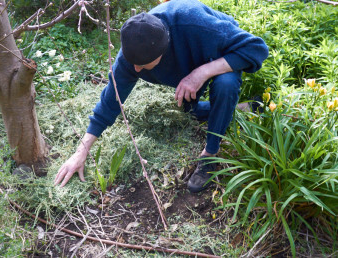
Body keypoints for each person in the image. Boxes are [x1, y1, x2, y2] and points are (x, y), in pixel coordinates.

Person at [54, 0, 269, 192]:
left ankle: (210, 155)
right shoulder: (134, 53)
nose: (136, 70)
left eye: (142, 65)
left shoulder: (193, 23)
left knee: (226, 84)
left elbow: (257, 48)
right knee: (189, 113)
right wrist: (81, 151)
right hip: (187, 63)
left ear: (162, 52)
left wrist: (200, 73)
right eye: (133, 64)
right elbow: (111, 101)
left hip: (218, 52)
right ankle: (243, 108)